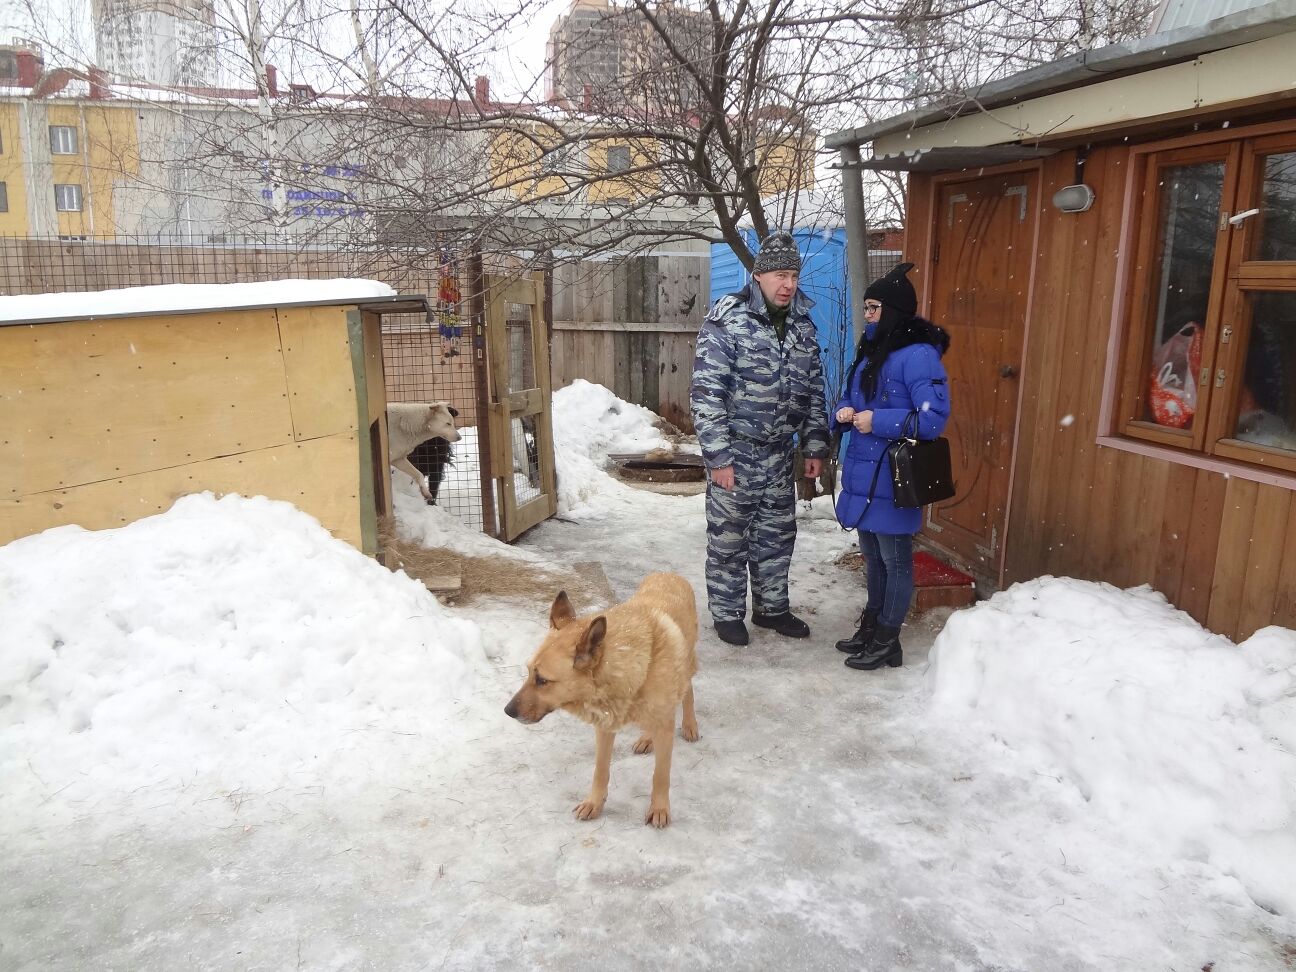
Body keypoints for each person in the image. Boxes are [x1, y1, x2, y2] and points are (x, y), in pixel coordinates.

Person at [690, 230, 830, 646]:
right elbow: (706, 393)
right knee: (730, 537)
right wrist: (719, 459)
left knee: (776, 535)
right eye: (780, 275)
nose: (788, 284)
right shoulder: (727, 319)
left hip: (777, 454)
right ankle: (727, 612)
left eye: (794, 276)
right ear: (758, 275)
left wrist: (815, 444)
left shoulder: (803, 323)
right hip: (736, 450)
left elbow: (814, 387)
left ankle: (772, 609)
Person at [832, 262, 951, 670]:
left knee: (895, 559)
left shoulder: (917, 357)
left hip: (895, 478)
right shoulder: (871, 352)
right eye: (865, 307)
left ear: (896, 310)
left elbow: (933, 419)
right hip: (864, 475)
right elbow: (847, 397)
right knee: (874, 558)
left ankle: (888, 638)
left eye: (875, 307)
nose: (868, 314)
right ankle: (872, 628)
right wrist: (844, 410)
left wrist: (877, 421)